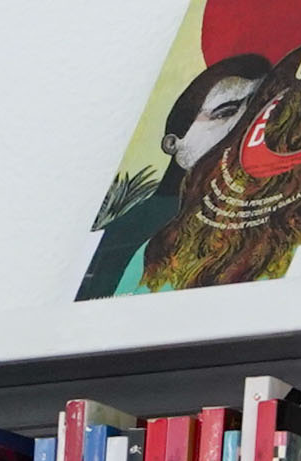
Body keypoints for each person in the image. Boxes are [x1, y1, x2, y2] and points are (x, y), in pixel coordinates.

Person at [79, 52, 270, 300]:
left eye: (257, 109)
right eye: (225, 112)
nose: (245, 123)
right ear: (173, 143)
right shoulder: (127, 234)